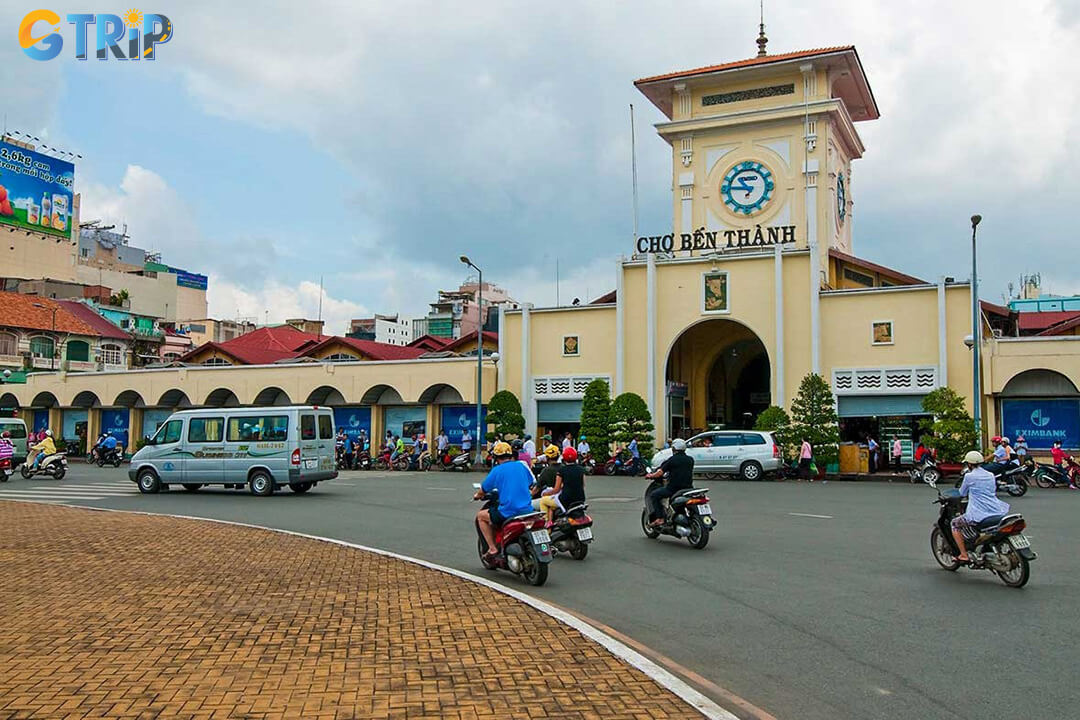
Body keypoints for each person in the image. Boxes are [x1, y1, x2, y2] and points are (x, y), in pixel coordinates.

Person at [474, 441, 535, 559]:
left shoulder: (497, 470)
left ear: (496, 458)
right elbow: (530, 482)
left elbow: (483, 489)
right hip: (528, 509)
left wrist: (477, 495)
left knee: (481, 516)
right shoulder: (521, 466)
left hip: (509, 511)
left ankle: (492, 548)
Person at [951, 450, 1011, 564]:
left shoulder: (969, 476)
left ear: (969, 464)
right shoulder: (990, 475)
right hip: (996, 509)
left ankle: (963, 555)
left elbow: (962, 493)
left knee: (954, 524)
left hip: (978, 513)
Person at [645, 438, 694, 526]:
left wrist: (650, 476)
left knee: (654, 495)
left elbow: (659, 473)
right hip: (688, 488)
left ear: (674, 449)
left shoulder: (672, 460)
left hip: (673, 488)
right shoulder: (690, 459)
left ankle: (660, 518)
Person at [540, 447, 587, 524]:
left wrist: (545, 493)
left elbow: (556, 489)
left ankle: (545, 523)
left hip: (565, 500)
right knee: (552, 506)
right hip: (580, 499)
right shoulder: (581, 470)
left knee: (543, 501)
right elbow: (583, 485)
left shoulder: (562, 470)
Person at [532, 444, 562, 511]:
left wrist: (529, 496)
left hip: (553, 498)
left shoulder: (546, 470)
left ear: (547, 457)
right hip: (563, 498)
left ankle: (545, 517)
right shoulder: (564, 467)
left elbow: (537, 489)